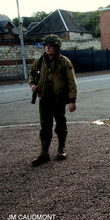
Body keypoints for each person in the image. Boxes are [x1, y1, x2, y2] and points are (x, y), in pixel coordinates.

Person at [29, 34, 77, 166]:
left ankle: (61, 149)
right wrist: (32, 85)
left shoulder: (64, 62)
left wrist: (72, 100)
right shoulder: (39, 61)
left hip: (59, 99)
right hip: (44, 99)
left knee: (61, 125)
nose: (47, 48)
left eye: (50, 46)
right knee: (45, 126)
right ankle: (44, 153)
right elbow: (32, 75)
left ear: (56, 47)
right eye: (46, 46)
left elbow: (71, 82)